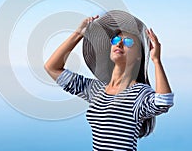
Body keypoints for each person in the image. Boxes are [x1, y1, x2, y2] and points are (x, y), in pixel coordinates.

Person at [44, 10, 174, 151]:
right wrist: (79, 34)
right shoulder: (95, 90)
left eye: (128, 42)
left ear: (139, 56)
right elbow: (52, 68)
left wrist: (156, 60)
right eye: (116, 40)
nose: (119, 44)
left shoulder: (138, 93)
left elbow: (164, 101)